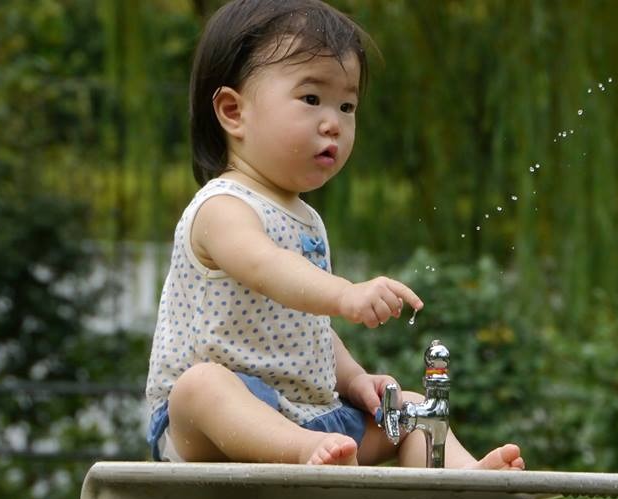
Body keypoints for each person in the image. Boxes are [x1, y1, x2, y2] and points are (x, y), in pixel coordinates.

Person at [145, 0, 525, 470]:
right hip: (210, 426)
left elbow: (309, 327)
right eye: (311, 99)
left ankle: (467, 479)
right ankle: (303, 452)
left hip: (312, 418)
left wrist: (354, 379)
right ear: (232, 111)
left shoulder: (307, 218)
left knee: (403, 407)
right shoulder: (222, 207)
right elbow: (269, 270)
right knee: (202, 384)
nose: (334, 123)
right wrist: (346, 294)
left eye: (347, 106)